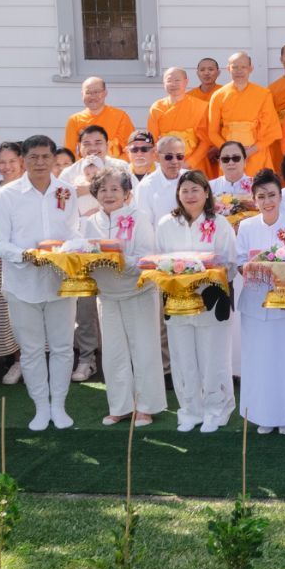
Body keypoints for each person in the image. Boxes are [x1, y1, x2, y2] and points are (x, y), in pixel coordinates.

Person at [0, 136, 79, 432]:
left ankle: (60, 405)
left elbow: (74, 232)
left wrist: (68, 250)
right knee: (31, 350)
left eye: (45, 157)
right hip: (21, 283)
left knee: (63, 347)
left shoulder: (66, 191)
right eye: (34, 157)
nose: (40, 163)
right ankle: (41, 407)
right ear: (23, 160)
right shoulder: (7, 195)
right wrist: (25, 255)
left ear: (54, 158)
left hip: (60, 282)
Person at [76, 170, 163, 426]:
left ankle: (147, 407)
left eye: (115, 189)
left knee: (144, 349)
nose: (109, 194)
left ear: (127, 194)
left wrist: (121, 259)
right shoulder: (91, 222)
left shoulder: (140, 218)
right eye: (103, 189)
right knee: (113, 353)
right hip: (108, 296)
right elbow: (84, 256)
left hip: (139, 292)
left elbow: (148, 258)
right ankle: (120, 406)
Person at [156, 170, 236, 434]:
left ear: (206, 193)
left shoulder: (220, 224)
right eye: (185, 190)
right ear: (178, 194)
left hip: (212, 302)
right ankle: (190, 410)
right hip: (177, 304)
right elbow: (159, 262)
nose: (190, 195)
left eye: (195, 190)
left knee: (214, 359)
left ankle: (217, 409)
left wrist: (206, 272)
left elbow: (232, 265)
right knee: (182, 359)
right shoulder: (166, 223)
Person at [233, 172, 285, 435]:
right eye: (261, 196)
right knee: (258, 362)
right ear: (254, 199)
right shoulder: (246, 226)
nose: (267, 201)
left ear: (280, 196)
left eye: (272, 195)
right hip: (254, 302)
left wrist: (284, 275)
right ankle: (263, 414)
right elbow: (240, 260)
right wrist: (254, 270)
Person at [204, 51, 285, 177]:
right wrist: (230, 151)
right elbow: (212, 132)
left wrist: (250, 151)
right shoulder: (218, 96)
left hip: (256, 153)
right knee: (230, 195)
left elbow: (272, 131)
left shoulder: (263, 94)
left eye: (243, 67)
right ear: (228, 69)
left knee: (258, 191)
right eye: (235, 67)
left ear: (250, 68)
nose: (239, 71)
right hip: (230, 158)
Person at [145, 65, 216, 176]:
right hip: (167, 163)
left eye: (177, 80)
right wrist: (163, 163)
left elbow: (205, 141)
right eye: (169, 80)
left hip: (194, 163)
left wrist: (189, 163)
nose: (173, 84)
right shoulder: (157, 107)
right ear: (163, 84)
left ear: (186, 82)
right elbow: (151, 141)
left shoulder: (199, 107)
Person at [64, 76, 135, 161]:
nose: (93, 96)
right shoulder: (74, 120)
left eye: (97, 92)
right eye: (88, 92)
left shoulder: (120, 116)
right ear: (82, 94)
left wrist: (112, 165)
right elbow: (69, 153)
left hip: (114, 169)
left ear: (105, 93)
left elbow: (131, 149)